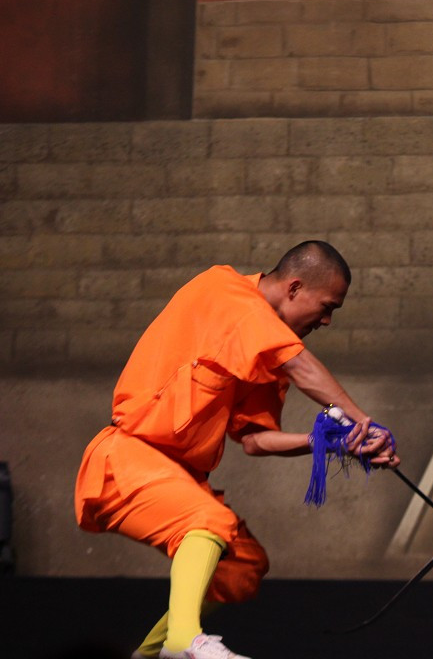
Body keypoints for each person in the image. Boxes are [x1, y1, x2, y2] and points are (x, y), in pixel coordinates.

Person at [74, 241, 398, 659]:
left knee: (242, 563)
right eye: (327, 306)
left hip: (181, 477)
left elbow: (254, 440)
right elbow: (300, 365)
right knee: (207, 520)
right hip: (127, 458)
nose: (328, 321)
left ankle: (150, 654)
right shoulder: (224, 291)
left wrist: (321, 443)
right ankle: (184, 643)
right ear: (295, 287)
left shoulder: (266, 359)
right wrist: (360, 422)